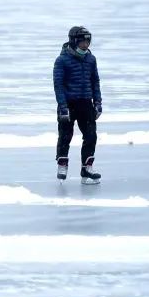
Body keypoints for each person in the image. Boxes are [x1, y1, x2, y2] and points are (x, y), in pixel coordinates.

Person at [53, 26, 102, 185]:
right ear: (74, 41)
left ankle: (87, 167)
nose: (86, 44)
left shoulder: (91, 59)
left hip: (86, 103)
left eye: (88, 41)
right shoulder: (62, 60)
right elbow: (58, 85)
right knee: (65, 136)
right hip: (68, 104)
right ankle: (62, 165)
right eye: (82, 41)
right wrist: (62, 106)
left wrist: (98, 102)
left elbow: (95, 81)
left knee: (91, 136)